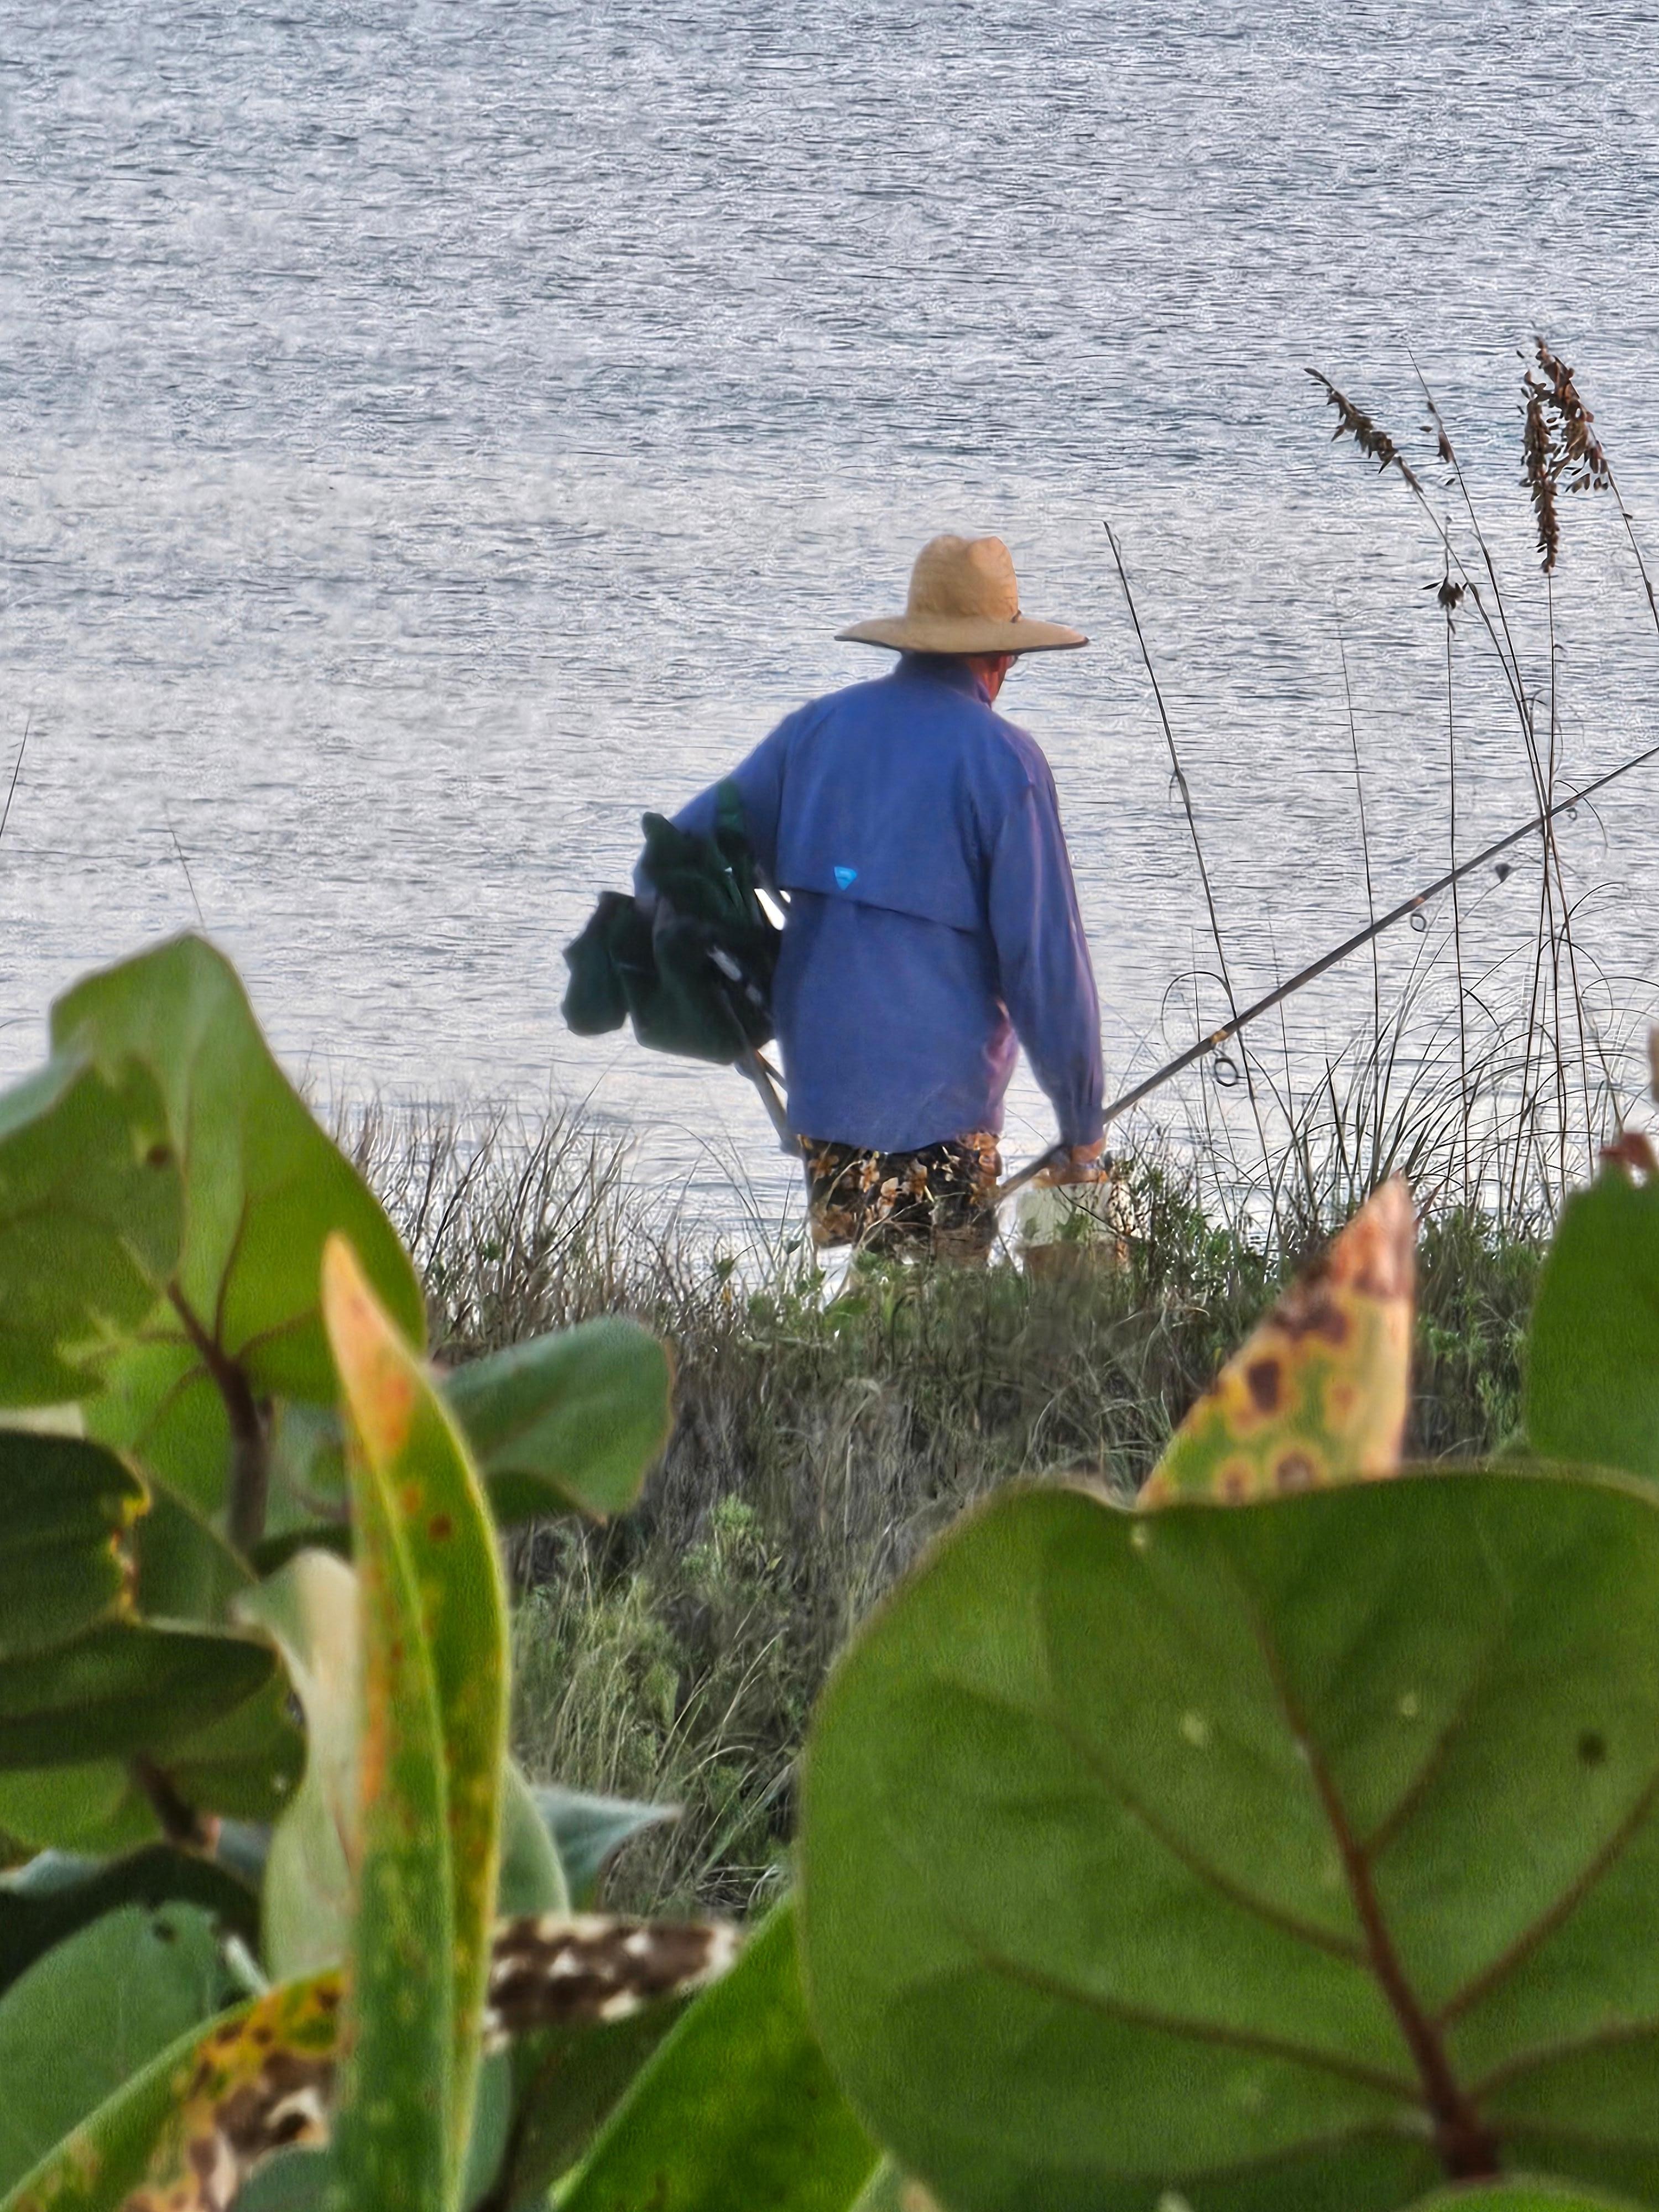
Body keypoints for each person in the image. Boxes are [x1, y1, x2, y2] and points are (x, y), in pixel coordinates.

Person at [662, 532, 1105, 1261]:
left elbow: (680, 854)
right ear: (1000, 656)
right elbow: (1045, 965)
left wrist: (741, 980)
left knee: (881, 1288)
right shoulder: (1006, 763)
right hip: (942, 1111)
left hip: (823, 1101)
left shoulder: (815, 732)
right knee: (936, 1307)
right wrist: (1082, 1129)